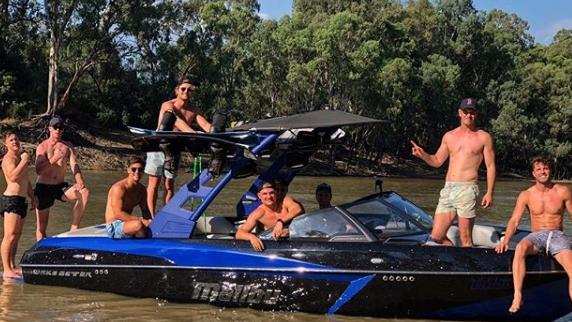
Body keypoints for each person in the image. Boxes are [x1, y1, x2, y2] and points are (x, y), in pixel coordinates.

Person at [411, 98, 495, 247]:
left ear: (476, 114)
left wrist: (489, 192)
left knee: (465, 239)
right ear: (459, 113)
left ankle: (468, 268)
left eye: (472, 112)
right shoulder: (449, 136)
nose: (469, 115)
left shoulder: (483, 137)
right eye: (466, 112)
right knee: (436, 237)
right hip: (448, 189)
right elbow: (437, 161)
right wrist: (423, 154)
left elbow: (490, 166)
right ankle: (452, 263)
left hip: (468, 189)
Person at [494, 157, 572, 313]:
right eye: (539, 169)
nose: (543, 172)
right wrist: (505, 240)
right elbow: (515, 220)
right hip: (536, 236)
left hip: (557, 236)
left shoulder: (563, 191)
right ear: (533, 174)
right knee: (521, 248)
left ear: (550, 170)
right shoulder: (526, 194)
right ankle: (517, 296)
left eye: (546, 168)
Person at [145, 78, 212, 217]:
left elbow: (206, 126)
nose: (186, 91)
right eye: (183, 89)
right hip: (158, 147)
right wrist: (193, 133)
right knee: (154, 184)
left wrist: (218, 132)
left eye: (189, 90)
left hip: (174, 149)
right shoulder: (167, 105)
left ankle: (166, 214)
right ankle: (150, 216)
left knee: (169, 184)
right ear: (177, 90)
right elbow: (176, 119)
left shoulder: (194, 110)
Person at [34, 116, 90, 241]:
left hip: (59, 186)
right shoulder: (42, 147)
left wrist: (79, 180)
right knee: (41, 228)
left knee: (84, 192)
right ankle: (39, 252)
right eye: (55, 127)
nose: (58, 130)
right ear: (50, 129)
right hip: (43, 187)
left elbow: (74, 164)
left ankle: (74, 229)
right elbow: (38, 170)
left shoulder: (68, 146)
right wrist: (54, 158)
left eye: (60, 127)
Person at [1, 131, 36, 279]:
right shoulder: (8, 159)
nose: (15, 142)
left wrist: (33, 197)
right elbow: (13, 176)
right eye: (11, 140)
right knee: (9, 235)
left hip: (21, 200)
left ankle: (13, 265)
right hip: (11, 200)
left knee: (17, 235)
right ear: (5, 144)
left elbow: (25, 180)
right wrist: (24, 160)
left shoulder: (19, 158)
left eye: (16, 139)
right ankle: (6, 268)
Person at [236, 181, 304, 251]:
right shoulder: (259, 213)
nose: (269, 197)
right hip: (278, 247)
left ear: (276, 193)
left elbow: (298, 209)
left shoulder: (285, 201)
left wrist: (280, 222)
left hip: (300, 240)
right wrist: (251, 237)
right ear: (259, 196)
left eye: (271, 193)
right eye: (265, 194)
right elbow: (239, 233)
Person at [105, 157, 151, 238]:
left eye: (140, 170)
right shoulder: (119, 188)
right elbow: (118, 214)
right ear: (128, 170)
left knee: (149, 226)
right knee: (138, 225)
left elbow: (145, 211)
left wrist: (152, 222)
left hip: (127, 223)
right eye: (134, 169)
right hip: (114, 226)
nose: (137, 172)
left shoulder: (142, 190)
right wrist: (141, 220)